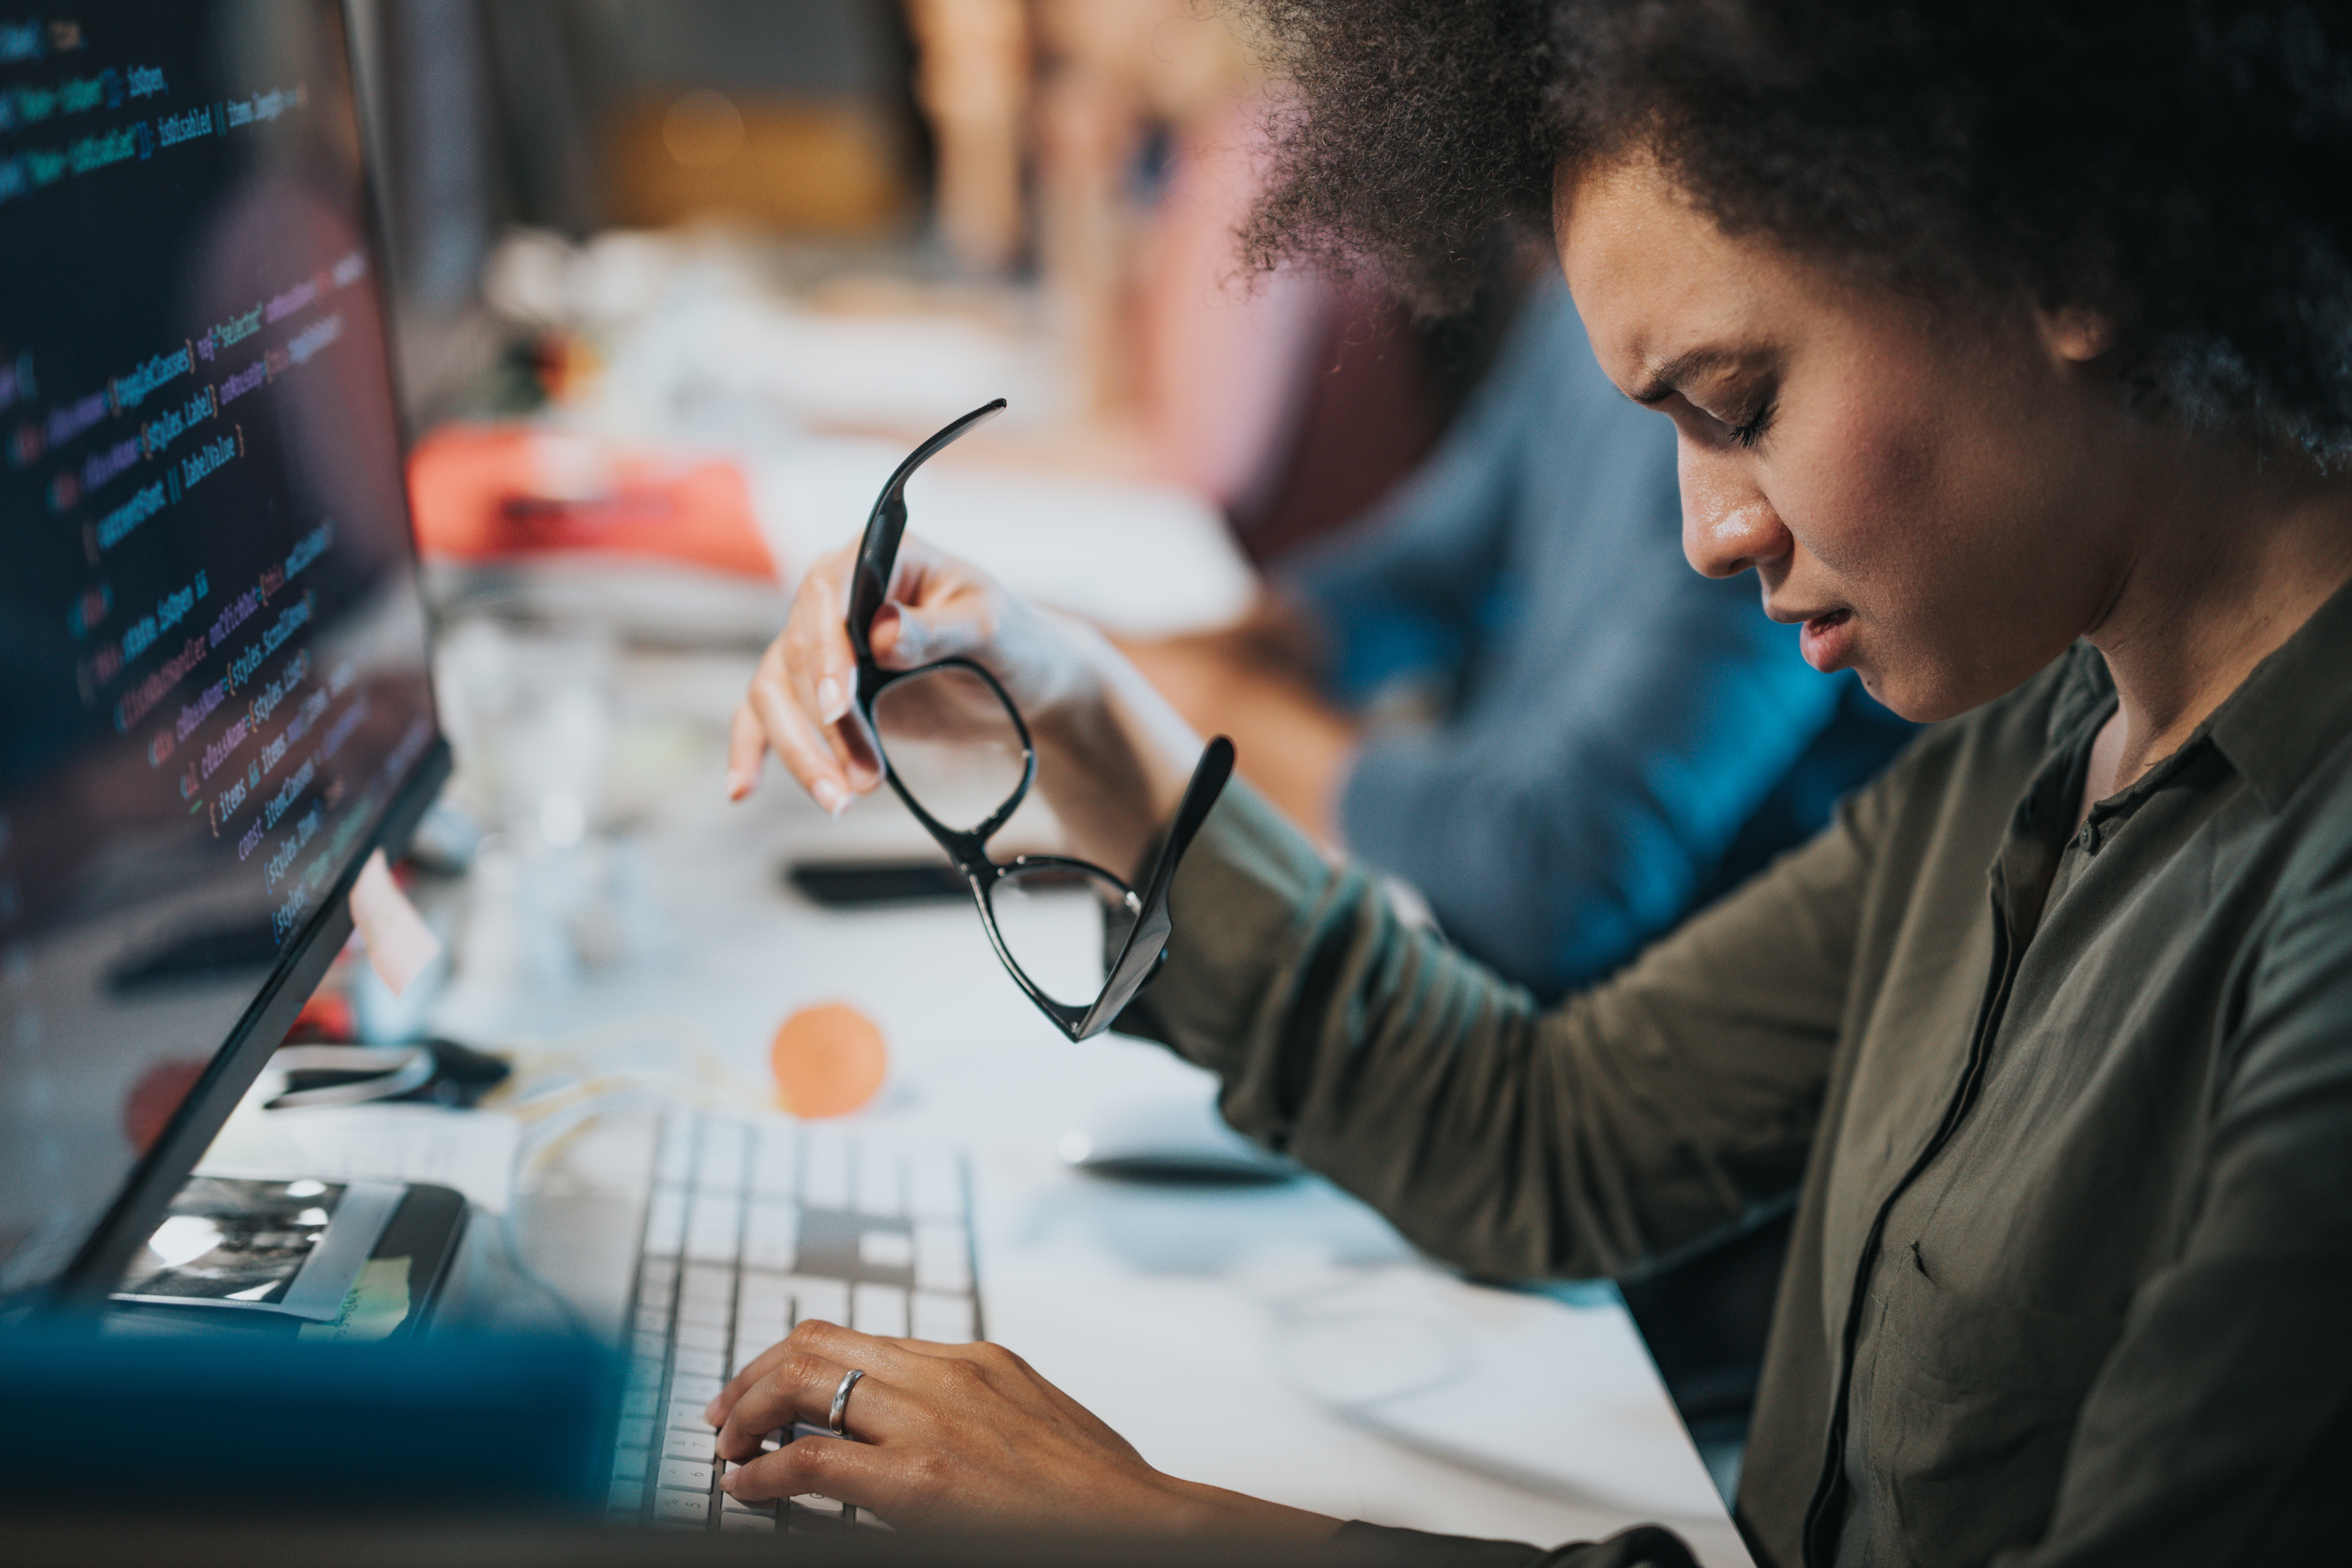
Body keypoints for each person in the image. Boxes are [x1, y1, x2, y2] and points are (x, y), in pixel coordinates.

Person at [715, 3, 2352, 1564]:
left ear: (2073, 248)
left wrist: (1143, 1527)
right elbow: (1550, 1132)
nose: (1710, 531)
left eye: (1741, 406)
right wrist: (1072, 712)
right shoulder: (2048, 731)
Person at [1123, 270, 1914, 1000]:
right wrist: (1176, 659)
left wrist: (1193, 708)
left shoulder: (1782, 415)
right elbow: (1431, 568)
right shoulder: (1605, 277)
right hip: (1464, 968)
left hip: (1611, 1046)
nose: (1711, 538)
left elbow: (1555, 874)